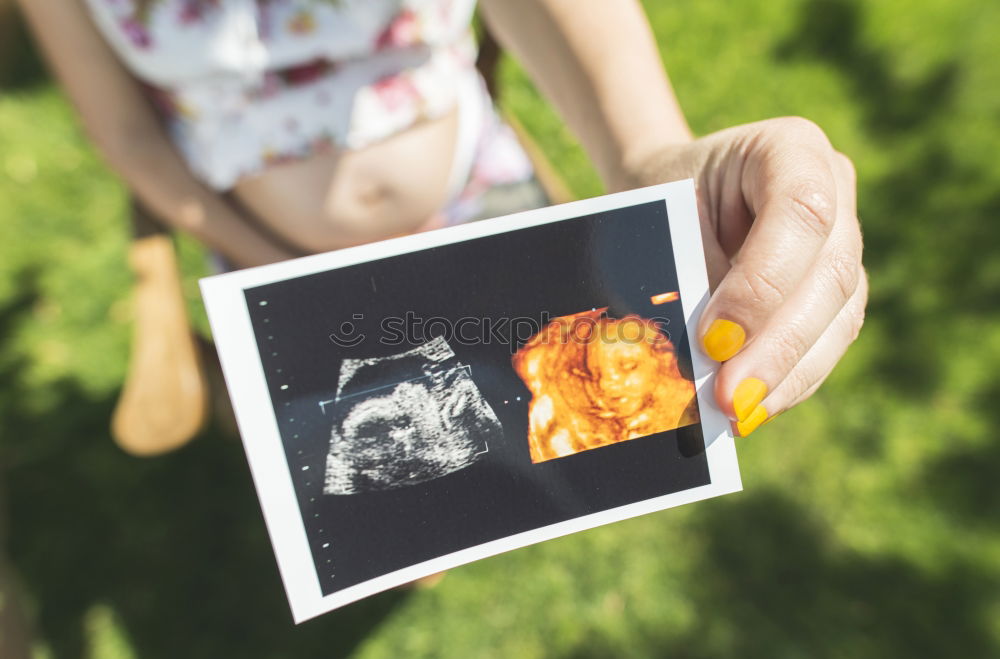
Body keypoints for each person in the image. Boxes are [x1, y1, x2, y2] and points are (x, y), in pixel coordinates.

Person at [17, 0, 866, 438]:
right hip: (265, 252)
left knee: (544, 420)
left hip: (474, 194)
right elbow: (128, 136)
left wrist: (647, 156)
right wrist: (280, 265)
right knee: (374, 465)